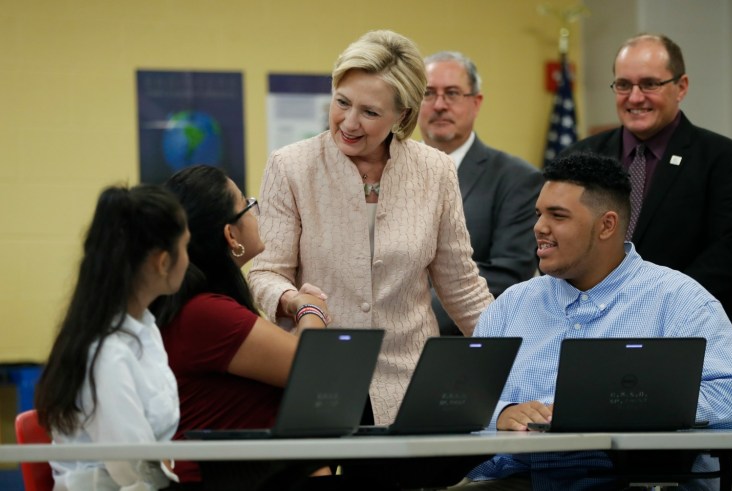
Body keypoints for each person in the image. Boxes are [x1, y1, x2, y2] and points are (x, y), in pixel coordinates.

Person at [450, 153, 732, 489]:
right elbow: (461, 400)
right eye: (539, 214)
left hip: (634, 481)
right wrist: (504, 412)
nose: (539, 227)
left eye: (558, 216)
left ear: (607, 225)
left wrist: (627, 406)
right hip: (517, 480)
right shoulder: (510, 305)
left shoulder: (680, 301)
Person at [248, 30, 493, 425]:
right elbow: (267, 272)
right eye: (342, 103)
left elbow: (462, 286)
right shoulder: (290, 166)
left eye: (370, 112)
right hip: (321, 374)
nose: (349, 122)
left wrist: (513, 362)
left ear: (403, 114)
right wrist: (296, 302)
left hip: (410, 380)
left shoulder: (436, 170)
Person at [561, 33, 732, 333]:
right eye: (624, 85)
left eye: (650, 84)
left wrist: (648, 308)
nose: (635, 97)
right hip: (589, 328)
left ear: (681, 87)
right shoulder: (578, 157)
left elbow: (729, 255)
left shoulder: (724, 160)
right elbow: (559, 240)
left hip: (681, 330)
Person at [151, 165, 330, 490]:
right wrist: (310, 307)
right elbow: (309, 367)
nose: (255, 211)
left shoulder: (203, 304)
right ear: (231, 235)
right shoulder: (205, 313)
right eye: (247, 205)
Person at [35, 184, 190, 490]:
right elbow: (133, 469)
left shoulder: (144, 326)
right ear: (162, 262)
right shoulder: (109, 354)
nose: (187, 258)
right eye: (185, 246)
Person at [418, 51, 543, 336]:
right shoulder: (388, 172)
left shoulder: (517, 179)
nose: (439, 105)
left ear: (476, 102)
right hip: (387, 346)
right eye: (428, 93)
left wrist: (413, 316)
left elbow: (508, 273)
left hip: (461, 344)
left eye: (452, 93)